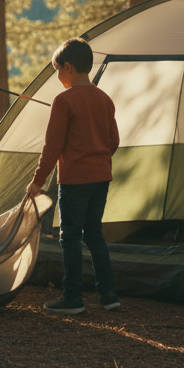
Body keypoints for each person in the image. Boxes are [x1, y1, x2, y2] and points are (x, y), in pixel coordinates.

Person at [26, 38, 121, 314]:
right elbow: (113, 140)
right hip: (101, 178)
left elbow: (52, 147)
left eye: (58, 70)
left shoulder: (63, 101)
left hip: (73, 182)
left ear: (68, 67)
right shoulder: (105, 99)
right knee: (94, 234)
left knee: (69, 237)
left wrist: (37, 182)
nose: (58, 77)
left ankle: (72, 297)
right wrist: (98, 160)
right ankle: (108, 294)